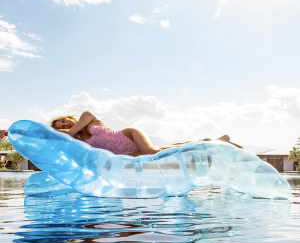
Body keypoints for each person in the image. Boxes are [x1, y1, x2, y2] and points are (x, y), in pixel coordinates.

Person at [0, 111, 242, 156]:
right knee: (171, 149)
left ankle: (216, 143)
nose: (65, 125)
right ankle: (214, 141)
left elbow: (79, 118)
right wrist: (11, 131)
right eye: (61, 124)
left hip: (129, 136)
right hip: (126, 154)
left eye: (66, 121)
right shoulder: (75, 138)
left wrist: (63, 131)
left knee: (154, 151)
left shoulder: (87, 119)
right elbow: (42, 134)